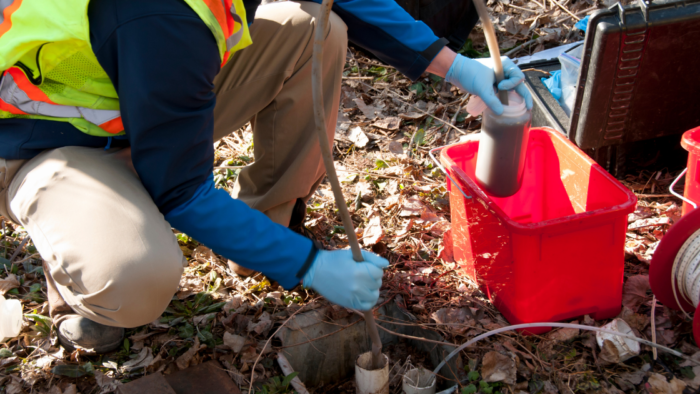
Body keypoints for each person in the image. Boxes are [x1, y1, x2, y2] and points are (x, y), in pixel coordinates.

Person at [0, 0, 532, 353]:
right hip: (49, 138)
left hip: (142, 91)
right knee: (135, 274)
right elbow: (180, 189)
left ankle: (258, 229)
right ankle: (86, 280)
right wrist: (308, 267)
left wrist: (457, 67)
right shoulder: (161, 18)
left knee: (313, 31)